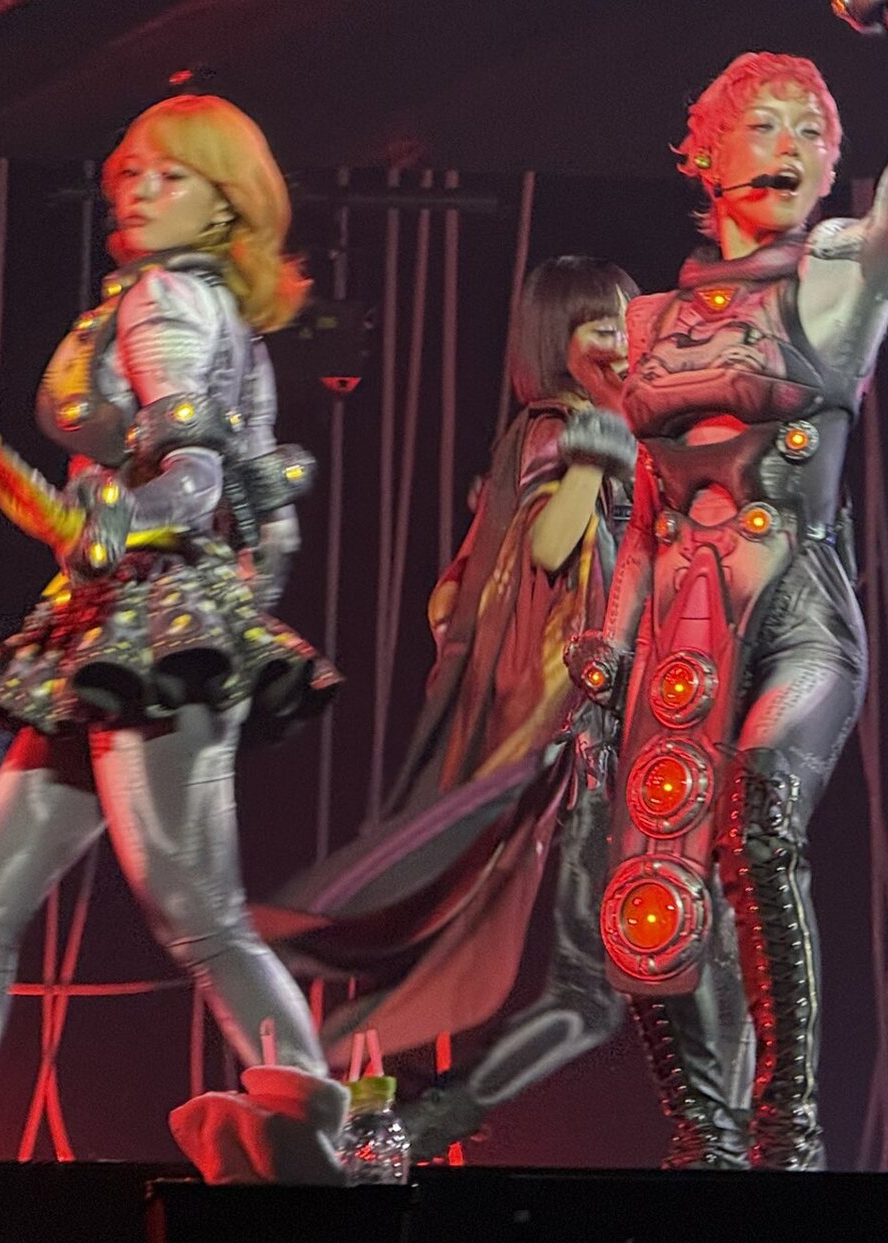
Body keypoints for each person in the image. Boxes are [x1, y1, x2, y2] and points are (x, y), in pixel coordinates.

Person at [565, 0, 888, 1169]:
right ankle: (703, 1140)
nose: (792, 144)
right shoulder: (644, 325)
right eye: (766, 123)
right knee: (650, 875)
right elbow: (645, 513)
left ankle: (789, 1126)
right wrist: (600, 654)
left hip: (797, 610)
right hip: (675, 629)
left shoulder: (847, 279)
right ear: (706, 156)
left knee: (760, 817)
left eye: (812, 129)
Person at [0, 95, 343, 1181]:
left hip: (147, 631)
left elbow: (194, 481)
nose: (137, 192)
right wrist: (210, 585)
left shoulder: (164, 301)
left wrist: (112, 527)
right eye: (129, 174)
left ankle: (313, 1134)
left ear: (225, 204)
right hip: (118, 632)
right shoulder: (214, 313)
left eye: (169, 176)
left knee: (198, 916)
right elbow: (269, 516)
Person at [257, 257, 748, 1161]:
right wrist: (596, 458)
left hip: (633, 743)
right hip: (590, 751)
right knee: (630, 970)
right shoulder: (562, 428)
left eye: (626, 322)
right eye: (597, 326)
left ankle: (718, 1143)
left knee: (657, 957)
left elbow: (465, 596)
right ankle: (402, 1120)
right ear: (554, 341)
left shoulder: (620, 432)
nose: (620, 342)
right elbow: (550, 549)